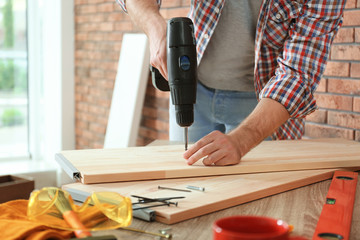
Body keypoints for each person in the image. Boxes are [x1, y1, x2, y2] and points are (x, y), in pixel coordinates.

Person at [116, 0, 346, 166]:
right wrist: (155, 29)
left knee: (251, 198)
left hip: (261, 107)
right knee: (186, 184)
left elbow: (298, 74)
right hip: (193, 91)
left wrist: (242, 139)